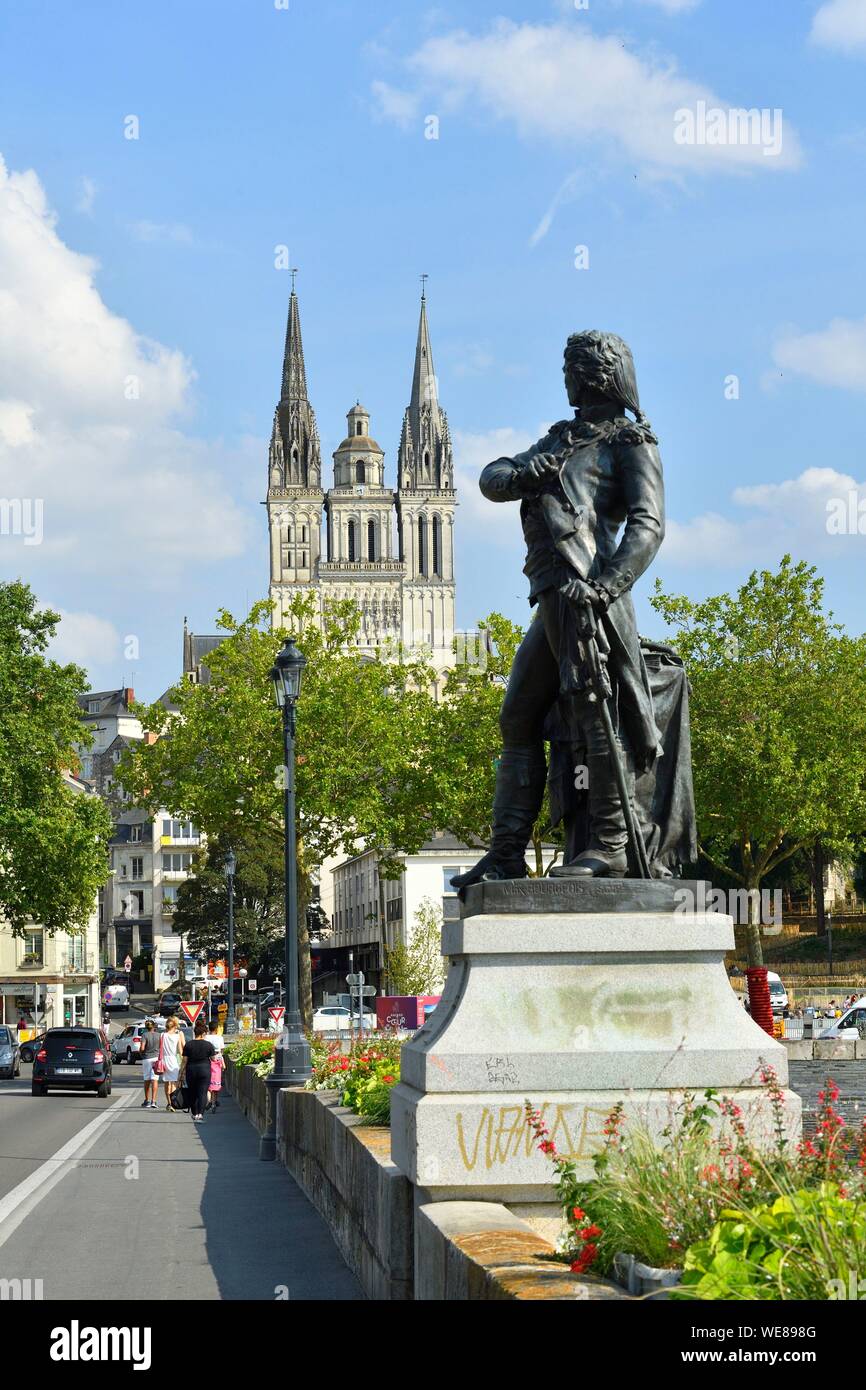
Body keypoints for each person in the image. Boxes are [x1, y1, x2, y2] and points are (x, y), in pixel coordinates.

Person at [180, 1019, 216, 1122]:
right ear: (203, 1033)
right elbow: (213, 1059)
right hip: (204, 1070)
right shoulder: (208, 1045)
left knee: (192, 1093)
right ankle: (200, 1114)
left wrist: (181, 1074)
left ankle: (195, 1114)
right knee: (202, 1093)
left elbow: (184, 1061)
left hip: (191, 1070)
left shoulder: (188, 1045)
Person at [159, 1014, 185, 1111]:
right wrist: (183, 1062)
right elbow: (180, 1050)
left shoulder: (162, 1035)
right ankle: (173, 1103)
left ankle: (169, 1103)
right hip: (173, 1060)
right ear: (175, 1025)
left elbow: (160, 1049)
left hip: (164, 1060)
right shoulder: (178, 1036)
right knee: (174, 1083)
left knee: (167, 1083)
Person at [203, 1020, 225, 1111]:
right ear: (216, 1029)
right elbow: (222, 1051)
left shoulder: (206, 1037)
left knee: (208, 1084)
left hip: (208, 1060)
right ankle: (214, 1102)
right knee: (216, 1083)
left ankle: (209, 1101)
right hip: (217, 1060)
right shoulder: (219, 1038)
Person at [140, 1020, 161, 1110]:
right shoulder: (159, 1035)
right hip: (156, 1058)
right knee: (155, 1079)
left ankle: (147, 1100)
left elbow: (142, 1048)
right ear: (154, 1026)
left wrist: (140, 1052)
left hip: (147, 1058)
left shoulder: (144, 1035)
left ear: (146, 1027)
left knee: (147, 1079)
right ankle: (154, 1100)